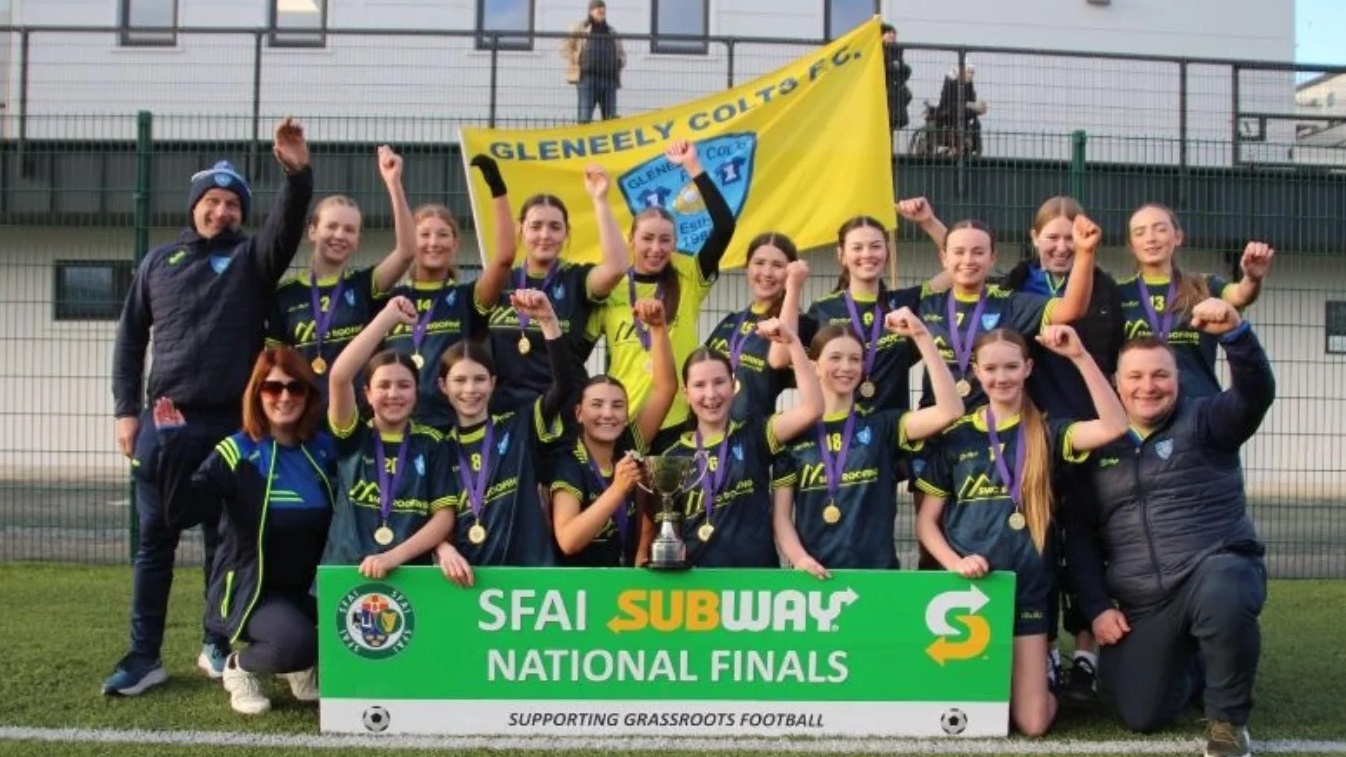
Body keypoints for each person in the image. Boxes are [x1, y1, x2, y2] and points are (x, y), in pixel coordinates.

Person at [105, 117, 311, 696]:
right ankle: (144, 655)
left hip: (230, 427)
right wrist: (128, 412)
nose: (222, 212)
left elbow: (288, 225)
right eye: (212, 202)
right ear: (195, 206)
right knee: (154, 541)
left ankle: (216, 643)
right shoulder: (158, 264)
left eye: (232, 204)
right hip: (164, 426)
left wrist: (296, 175)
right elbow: (129, 340)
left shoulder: (253, 260)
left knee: (226, 544)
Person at [900, 194, 1124, 696]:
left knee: (1028, 540)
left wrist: (1085, 253)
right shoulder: (926, 305)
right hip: (943, 438)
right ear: (943, 257)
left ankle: (1035, 650)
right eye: (957, 252)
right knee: (938, 544)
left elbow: (1070, 308)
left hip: (1006, 439)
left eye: (978, 252)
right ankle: (943, 657)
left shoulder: (1009, 303)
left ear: (994, 257)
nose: (967, 260)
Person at [1066, 299, 1274, 757]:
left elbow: (1255, 393)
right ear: (1117, 383)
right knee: (1140, 714)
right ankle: (1196, 661)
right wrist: (1098, 607)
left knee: (1227, 587)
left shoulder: (1206, 420)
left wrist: (1237, 337)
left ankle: (1227, 723)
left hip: (1210, 569)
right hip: (1145, 601)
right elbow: (1078, 536)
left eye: (1160, 375)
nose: (1148, 387)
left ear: (1178, 380)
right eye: (1135, 377)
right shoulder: (1097, 443)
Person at [916, 326, 1128, 736]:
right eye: (991, 368)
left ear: (1028, 368)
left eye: (1011, 367)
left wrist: (1080, 355)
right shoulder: (956, 436)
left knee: (1030, 724)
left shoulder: (1048, 432)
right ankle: (1025, 670)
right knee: (965, 719)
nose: (1002, 377)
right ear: (976, 372)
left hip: (1029, 589)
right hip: (969, 593)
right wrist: (956, 563)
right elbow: (926, 523)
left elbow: (1114, 426)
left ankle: (1044, 668)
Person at [155, 348, 333, 715]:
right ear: (257, 394)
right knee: (295, 643)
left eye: (295, 388)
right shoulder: (237, 452)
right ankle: (241, 668)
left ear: (308, 395)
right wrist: (173, 449)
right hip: (255, 592)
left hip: (311, 589)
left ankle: (301, 667)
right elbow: (182, 513)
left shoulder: (323, 450)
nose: (284, 397)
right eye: (273, 388)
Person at [772, 308, 964, 576]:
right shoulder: (793, 433)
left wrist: (922, 337)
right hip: (814, 578)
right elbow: (781, 516)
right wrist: (801, 559)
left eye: (854, 359)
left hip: (877, 578)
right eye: (835, 358)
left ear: (863, 368)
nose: (846, 367)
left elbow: (950, 411)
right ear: (814, 366)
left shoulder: (883, 426)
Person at [588, 139, 735, 429]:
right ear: (631, 240)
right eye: (647, 238)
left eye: (665, 240)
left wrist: (693, 166)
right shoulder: (612, 286)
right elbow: (576, 350)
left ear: (675, 243)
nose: (656, 248)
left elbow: (724, 226)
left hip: (678, 419)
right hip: (625, 420)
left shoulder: (689, 274)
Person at [650, 319, 822, 568]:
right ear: (686, 394)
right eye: (699, 385)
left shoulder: (757, 434)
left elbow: (812, 409)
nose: (711, 394)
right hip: (699, 587)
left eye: (719, 382)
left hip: (754, 584)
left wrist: (792, 342)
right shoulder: (672, 457)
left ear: (733, 385)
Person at [320, 298, 462, 580]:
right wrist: (387, 319)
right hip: (347, 573)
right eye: (383, 385)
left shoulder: (433, 442)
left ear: (416, 393)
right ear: (368, 395)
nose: (394, 394)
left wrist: (392, 558)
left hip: (409, 576)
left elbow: (444, 518)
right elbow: (339, 376)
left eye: (404, 385)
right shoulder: (353, 435)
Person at [443, 290, 583, 566]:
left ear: (493, 383)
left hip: (528, 578)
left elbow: (564, 386)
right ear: (443, 386)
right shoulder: (438, 447)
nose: (470, 389)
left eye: (479, 379)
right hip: (468, 582)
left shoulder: (520, 427)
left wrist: (548, 321)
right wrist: (442, 549)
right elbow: (433, 517)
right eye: (459, 380)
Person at [267, 145, 415, 398]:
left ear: (358, 240)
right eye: (332, 226)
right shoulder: (285, 294)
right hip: (303, 413)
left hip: (353, 412)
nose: (340, 235)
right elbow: (272, 363)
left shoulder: (364, 285)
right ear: (312, 231)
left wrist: (393, 183)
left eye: (349, 230)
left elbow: (406, 252)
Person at [381, 157, 514, 430]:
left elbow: (503, 258)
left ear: (455, 243)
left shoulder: (466, 297)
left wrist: (497, 189)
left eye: (443, 235)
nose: (433, 242)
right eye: (424, 234)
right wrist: (394, 184)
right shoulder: (390, 299)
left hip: (450, 428)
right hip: (398, 426)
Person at [487, 165, 628, 415]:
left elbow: (617, 267)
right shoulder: (500, 280)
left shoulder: (576, 279)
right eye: (536, 226)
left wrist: (600, 200)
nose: (545, 235)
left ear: (566, 233)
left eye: (555, 227)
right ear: (521, 229)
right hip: (505, 416)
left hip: (562, 413)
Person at [551, 300, 676, 566]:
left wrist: (657, 328)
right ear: (579, 414)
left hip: (624, 587)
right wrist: (618, 490)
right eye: (596, 405)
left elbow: (665, 389)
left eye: (618, 406)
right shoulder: (569, 463)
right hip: (582, 593)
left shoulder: (629, 444)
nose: (608, 414)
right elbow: (568, 540)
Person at [1121, 203, 1274, 398]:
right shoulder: (1117, 293)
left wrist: (1252, 278)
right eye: (1140, 232)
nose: (1150, 238)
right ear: (1131, 245)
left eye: (1160, 229)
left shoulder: (1204, 285)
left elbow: (1241, 295)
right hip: (1141, 409)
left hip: (1198, 409)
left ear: (1178, 236)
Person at [703, 233, 799, 422]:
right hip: (710, 433)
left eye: (778, 266)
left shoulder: (794, 326)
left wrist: (794, 288)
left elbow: (780, 360)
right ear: (746, 267)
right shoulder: (731, 320)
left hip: (752, 439)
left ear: (790, 273)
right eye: (759, 263)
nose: (767, 272)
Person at [562, 0, 626, 123]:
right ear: (591, 11)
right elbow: (564, 46)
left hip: (609, 80)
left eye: (603, 9)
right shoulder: (580, 27)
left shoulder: (612, 31)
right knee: (585, 118)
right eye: (598, 8)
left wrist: (619, 62)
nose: (601, 11)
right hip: (587, 79)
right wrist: (577, 58)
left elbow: (621, 53)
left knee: (611, 120)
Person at [934, 64, 985, 156]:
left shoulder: (968, 82)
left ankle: (972, 146)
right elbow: (947, 101)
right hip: (948, 111)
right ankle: (955, 146)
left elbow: (971, 98)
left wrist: (975, 106)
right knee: (958, 117)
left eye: (972, 73)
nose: (971, 75)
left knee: (975, 121)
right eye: (969, 72)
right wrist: (967, 104)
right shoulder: (951, 80)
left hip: (963, 110)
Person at [881, 23, 913, 131]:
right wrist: (893, 67)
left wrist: (902, 68)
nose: (892, 35)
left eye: (894, 33)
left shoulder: (897, 51)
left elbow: (902, 74)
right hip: (883, 95)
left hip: (895, 97)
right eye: (888, 32)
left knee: (890, 128)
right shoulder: (878, 50)